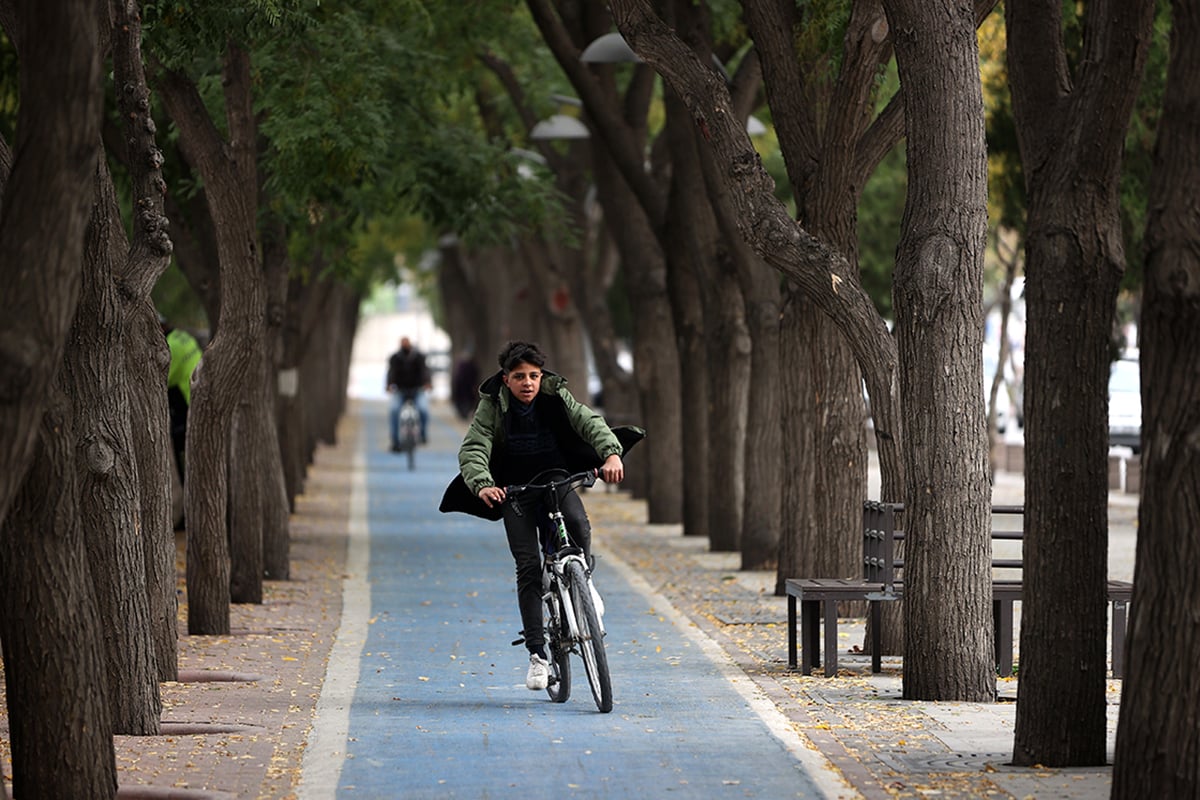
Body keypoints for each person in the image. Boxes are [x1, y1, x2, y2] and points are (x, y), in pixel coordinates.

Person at [441, 341, 635, 692]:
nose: (528, 383)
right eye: (519, 377)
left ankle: (583, 579)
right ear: (506, 380)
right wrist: (484, 485)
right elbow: (474, 447)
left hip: (555, 478)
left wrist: (611, 454)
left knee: (577, 524)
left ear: (541, 376)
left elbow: (589, 421)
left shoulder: (555, 396)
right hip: (515, 490)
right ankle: (537, 657)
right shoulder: (492, 407)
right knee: (529, 567)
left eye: (533, 375)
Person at [163, 319, 202, 482]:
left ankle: (190, 495)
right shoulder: (183, 336)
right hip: (198, 398)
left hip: (185, 406)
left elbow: (163, 378)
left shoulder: (171, 346)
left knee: (186, 460)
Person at [386, 336, 431, 450]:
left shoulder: (419, 357)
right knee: (394, 411)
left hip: (417, 390)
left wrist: (427, 383)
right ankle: (395, 441)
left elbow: (425, 370)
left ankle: (422, 434)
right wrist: (389, 385)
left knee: (423, 410)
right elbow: (391, 372)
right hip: (400, 390)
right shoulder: (395, 358)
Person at [450, 348, 480, 420]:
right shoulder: (463, 365)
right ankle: (464, 413)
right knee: (464, 400)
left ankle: (465, 412)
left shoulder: (470, 365)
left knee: (468, 400)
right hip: (463, 387)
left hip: (467, 387)